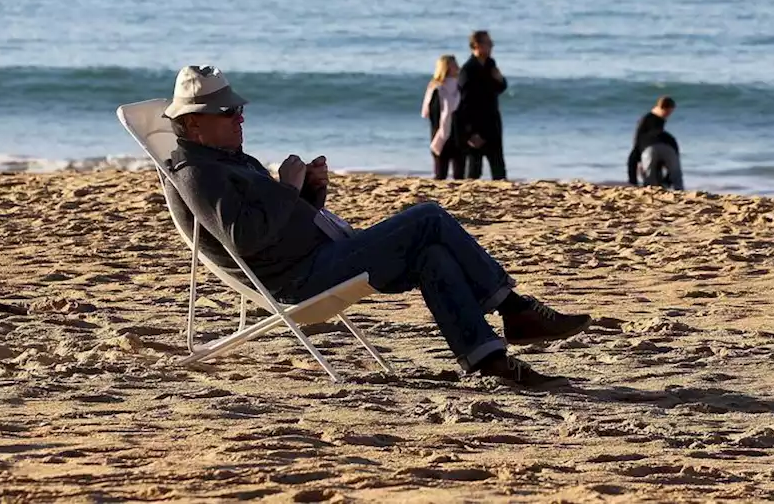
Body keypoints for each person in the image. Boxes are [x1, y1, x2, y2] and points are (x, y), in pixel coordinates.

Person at [162, 65, 591, 388]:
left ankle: (489, 361)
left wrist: (310, 193)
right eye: (228, 112)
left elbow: (281, 226)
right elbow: (247, 238)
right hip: (300, 279)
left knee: (432, 252)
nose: (240, 118)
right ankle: (515, 310)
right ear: (195, 122)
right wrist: (286, 190)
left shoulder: (226, 159)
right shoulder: (197, 173)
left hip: (317, 258)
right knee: (428, 216)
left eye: (240, 109)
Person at [458, 31, 508, 180]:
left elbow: (498, 89)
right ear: (476, 46)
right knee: (474, 169)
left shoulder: (490, 64)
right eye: (488, 43)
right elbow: (464, 103)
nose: (492, 46)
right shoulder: (468, 70)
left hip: (492, 121)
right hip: (476, 125)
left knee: (498, 167)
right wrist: (470, 132)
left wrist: (500, 80)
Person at [421, 54, 464, 180]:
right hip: (441, 133)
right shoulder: (436, 88)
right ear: (445, 67)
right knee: (440, 173)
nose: (457, 67)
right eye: (453, 64)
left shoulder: (460, 86)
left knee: (459, 174)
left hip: (458, 132)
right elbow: (433, 113)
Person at [627, 95, 684, 190]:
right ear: (662, 108)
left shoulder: (650, 122)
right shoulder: (649, 121)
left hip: (650, 149)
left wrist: (633, 180)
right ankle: (679, 192)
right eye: (668, 112)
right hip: (665, 147)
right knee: (676, 177)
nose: (668, 115)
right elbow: (637, 146)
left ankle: (655, 188)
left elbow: (636, 146)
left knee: (650, 182)